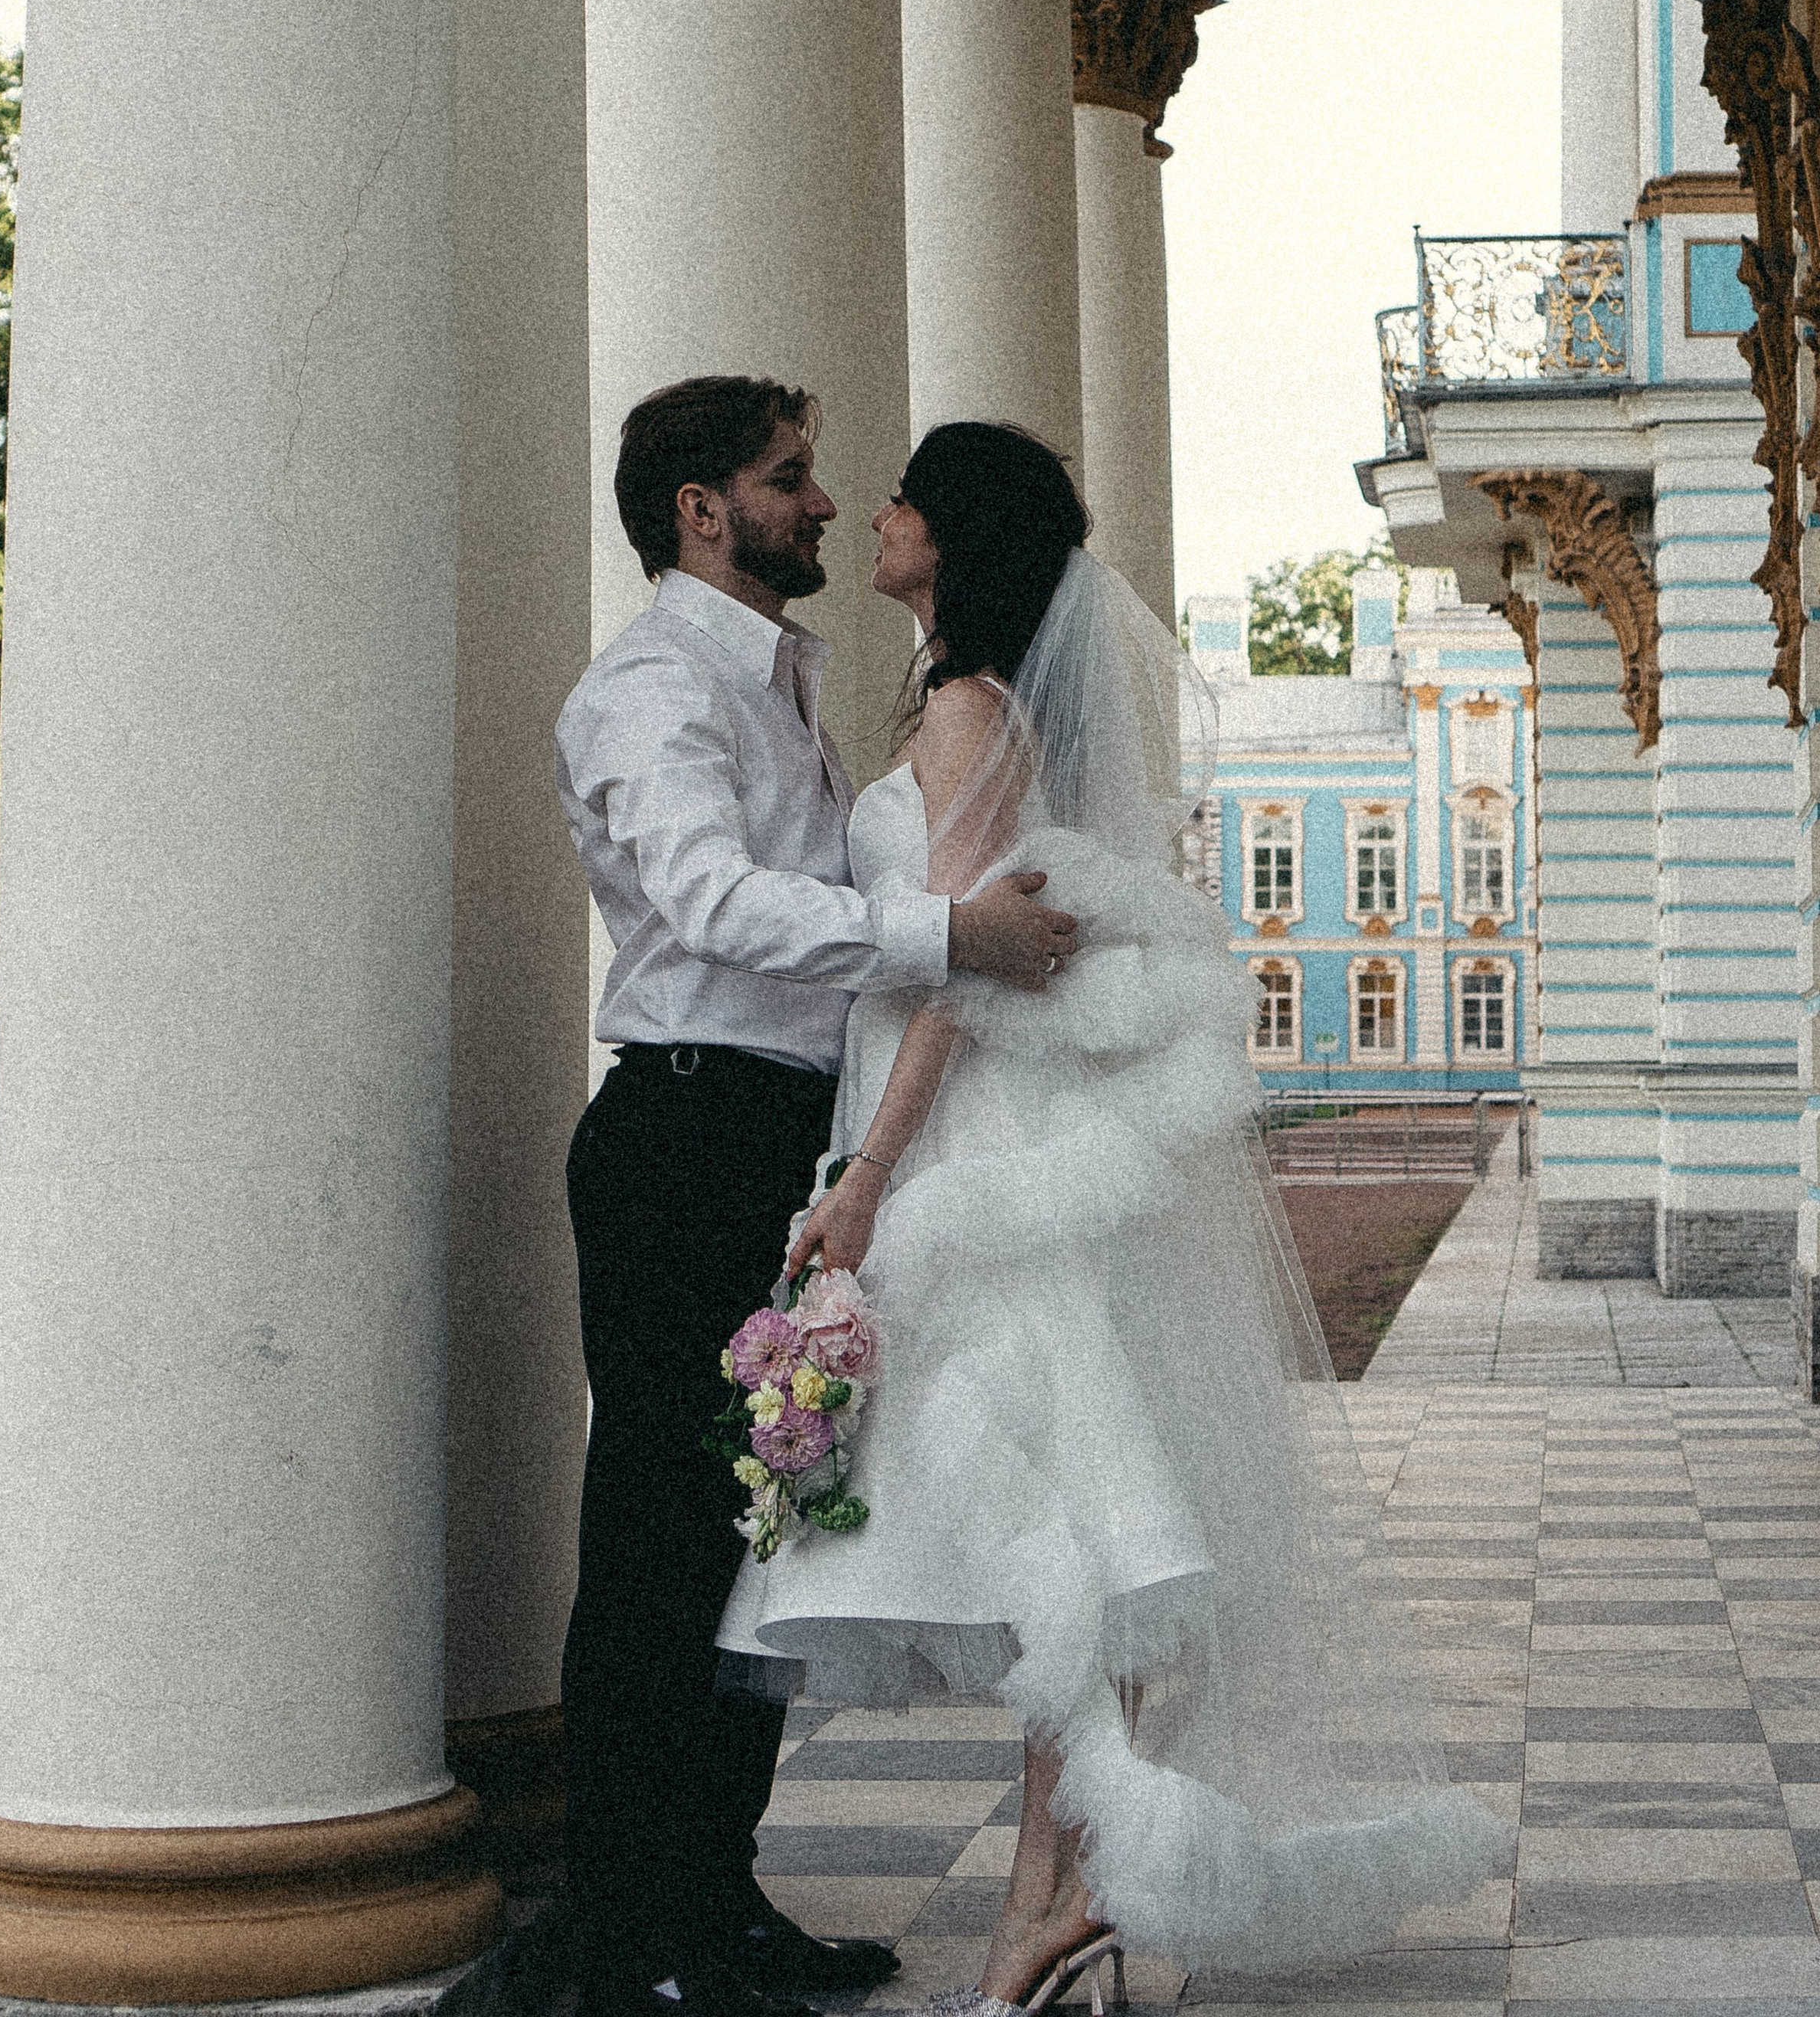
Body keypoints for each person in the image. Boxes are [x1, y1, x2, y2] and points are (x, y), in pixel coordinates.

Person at [717, 421, 1514, 2009]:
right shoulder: (1000, 707)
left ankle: (1054, 1892)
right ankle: (1057, 1890)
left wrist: (866, 1179)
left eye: (900, 497)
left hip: (972, 1157)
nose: (870, 515)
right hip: (1013, 1142)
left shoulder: (960, 710)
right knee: (1074, 1532)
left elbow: (959, 970)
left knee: (1062, 1534)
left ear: (952, 537)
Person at [555, 378, 1079, 2017]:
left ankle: (714, 1905)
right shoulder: (652, 692)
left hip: (772, 1134)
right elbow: (706, 905)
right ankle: (626, 1929)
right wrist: (950, 941)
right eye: (791, 479)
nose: (826, 503)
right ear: (700, 508)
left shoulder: (780, 684)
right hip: (683, 1133)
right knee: (656, 1546)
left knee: (748, 1536)